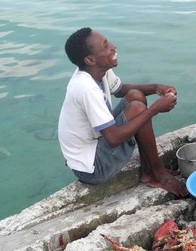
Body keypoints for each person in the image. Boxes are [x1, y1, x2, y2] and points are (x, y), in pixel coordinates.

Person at [58, 27, 188, 197]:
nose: (113, 46)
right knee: (138, 108)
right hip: (93, 168)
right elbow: (113, 139)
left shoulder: (98, 70)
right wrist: (155, 108)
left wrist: (156, 88)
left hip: (98, 144)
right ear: (90, 59)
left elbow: (120, 90)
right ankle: (158, 174)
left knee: (135, 95)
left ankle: (148, 173)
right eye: (105, 46)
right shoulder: (86, 88)